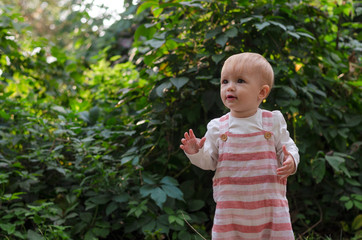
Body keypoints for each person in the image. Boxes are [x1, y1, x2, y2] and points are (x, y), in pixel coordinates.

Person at [180, 52, 299, 240]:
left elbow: (288, 147)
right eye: (225, 81)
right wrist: (196, 153)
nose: (230, 87)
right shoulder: (218, 127)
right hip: (231, 210)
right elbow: (210, 162)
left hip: (269, 208)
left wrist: (291, 160)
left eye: (240, 81)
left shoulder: (272, 121)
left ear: (261, 92)